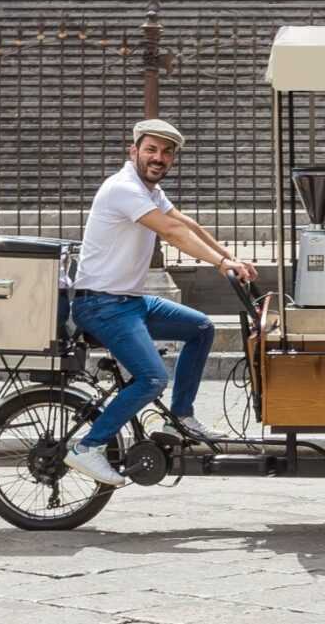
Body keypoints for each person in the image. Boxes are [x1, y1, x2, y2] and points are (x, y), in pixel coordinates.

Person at [64, 119, 258, 486]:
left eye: (167, 152)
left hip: (130, 302)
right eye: (151, 149)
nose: (159, 157)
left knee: (200, 327)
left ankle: (179, 416)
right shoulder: (123, 188)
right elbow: (170, 233)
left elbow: (185, 223)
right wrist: (219, 264)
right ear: (133, 150)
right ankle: (88, 447)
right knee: (152, 377)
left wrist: (230, 257)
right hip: (101, 305)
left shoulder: (148, 190)